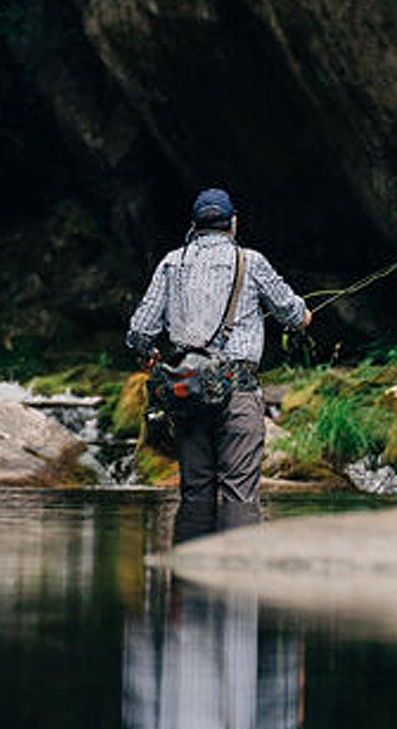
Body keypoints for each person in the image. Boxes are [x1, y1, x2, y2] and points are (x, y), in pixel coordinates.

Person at [127, 186, 310, 543]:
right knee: (240, 495)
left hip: (188, 393)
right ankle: (234, 586)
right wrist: (303, 316)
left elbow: (139, 331)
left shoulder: (171, 263)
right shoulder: (251, 262)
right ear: (233, 223)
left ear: (194, 226)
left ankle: (193, 585)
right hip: (238, 391)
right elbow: (291, 314)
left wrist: (147, 353)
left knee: (195, 494)